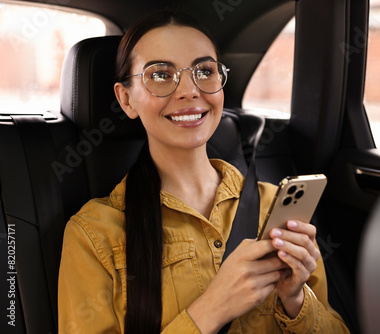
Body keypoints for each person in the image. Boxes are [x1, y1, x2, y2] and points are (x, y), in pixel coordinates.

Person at [58, 10, 349, 334]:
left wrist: (295, 299)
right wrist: (211, 310)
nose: (189, 90)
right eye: (159, 75)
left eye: (204, 70)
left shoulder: (275, 208)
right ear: (126, 99)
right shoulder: (94, 234)